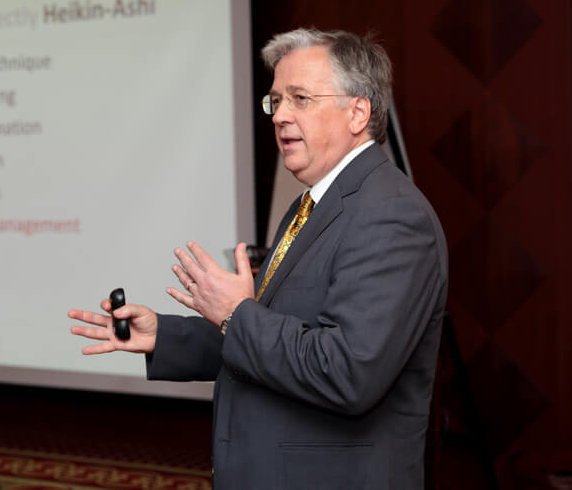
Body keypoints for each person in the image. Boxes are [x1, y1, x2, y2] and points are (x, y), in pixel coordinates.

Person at [68, 28, 448, 489]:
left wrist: (234, 313)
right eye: (276, 101)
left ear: (357, 112)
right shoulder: (311, 205)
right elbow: (269, 334)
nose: (280, 115)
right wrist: (163, 337)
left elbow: (347, 372)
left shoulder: (391, 215)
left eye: (300, 99)